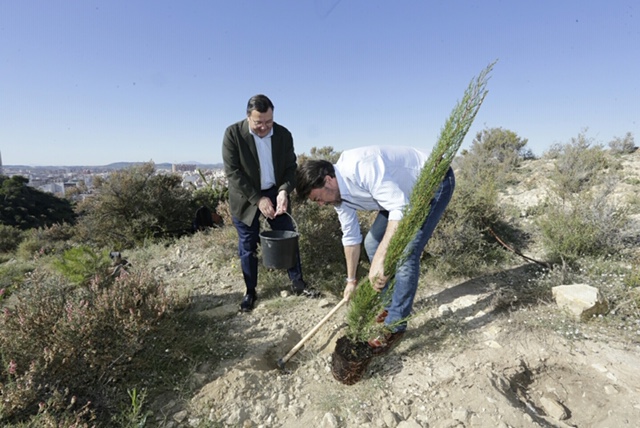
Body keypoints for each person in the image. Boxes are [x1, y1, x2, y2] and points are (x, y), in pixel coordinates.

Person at [295, 146, 455, 353]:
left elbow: (400, 208)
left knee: (407, 251)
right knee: (372, 242)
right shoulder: (337, 197)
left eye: (317, 198)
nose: (320, 204)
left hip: (433, 182)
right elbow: (351, 237)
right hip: (401, 198)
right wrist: (350, 281)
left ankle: (395, 326)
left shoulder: (361, 166)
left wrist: (381, 258)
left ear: (328, 180)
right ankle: (390, 306)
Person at [222, 94, 311, 312]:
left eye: (268, 122)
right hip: (246, 197)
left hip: (275, 191)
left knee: (288, 236)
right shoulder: (233, 134)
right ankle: (250, 291)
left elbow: (291, 168)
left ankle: (298, 282)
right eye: (258, 123)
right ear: (248, 118)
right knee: (247, 245)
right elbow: (233, 173)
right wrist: (257, 198)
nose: (264, 127)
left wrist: (283, 191)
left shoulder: (283, 134)